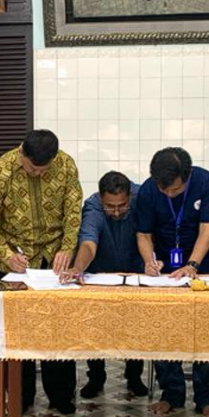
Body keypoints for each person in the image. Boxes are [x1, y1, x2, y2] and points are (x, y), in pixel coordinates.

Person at [0, 129, 83, 414]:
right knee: (18, 333)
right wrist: (7, 255)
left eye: (42, 169)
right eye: (31, 168)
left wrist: (67, 248)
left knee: (57, 331)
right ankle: (20, 397)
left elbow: (74, 214)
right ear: (21, 153)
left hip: (52, 261)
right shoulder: (1, 170)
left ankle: (61, 396)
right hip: (14, 263)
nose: (36, 173)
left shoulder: (65, 165)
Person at [135, 147, 209, 417]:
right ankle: (171, 393)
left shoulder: (206, 182)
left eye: (174, 191)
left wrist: (192, 265)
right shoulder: (151, 190)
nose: (168, 194)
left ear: (188, 175)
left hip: (201, 267)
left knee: (206, 331)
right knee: (164, 330)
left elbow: (208, 228)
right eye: (165, 191)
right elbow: (143, 233)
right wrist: (150, 260)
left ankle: (206, 394)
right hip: (164, 274)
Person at [59, 170, 149, 398]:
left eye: (122, 206)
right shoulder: (93, 206)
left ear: (130, 196)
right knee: (94, 326)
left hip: (135, 271)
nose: (116, 212)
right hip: (100, 273)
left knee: (135, 326)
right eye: (111, 206)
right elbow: (89, 243)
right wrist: (78, 268)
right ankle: (96, 377)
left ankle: (134, 376)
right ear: (101, 198)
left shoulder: (142, 197)